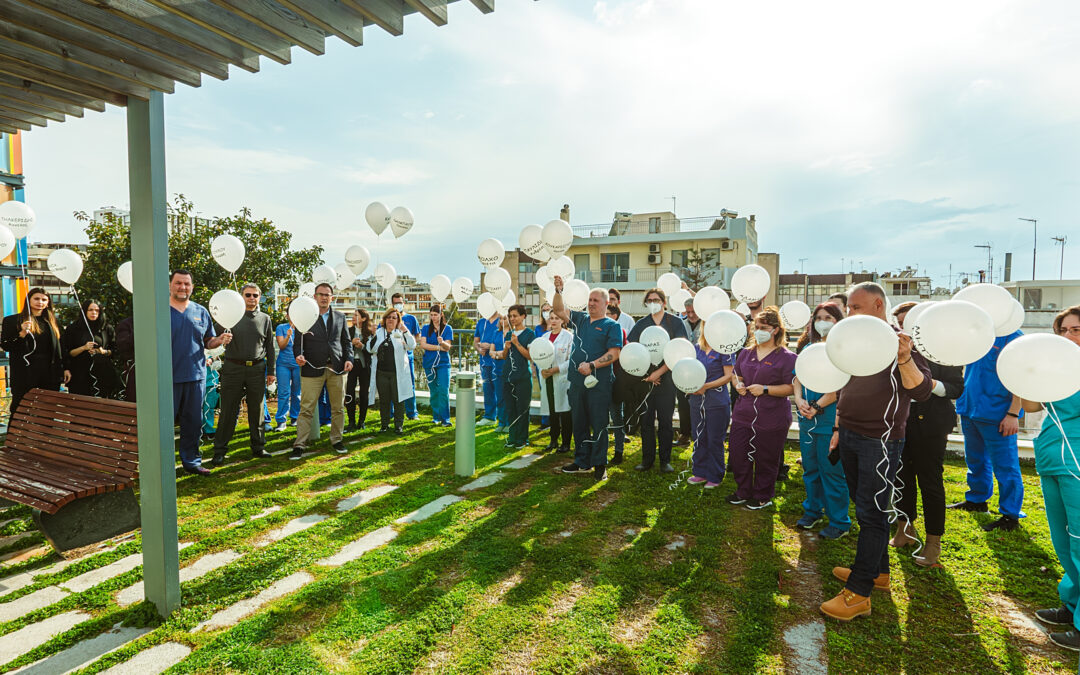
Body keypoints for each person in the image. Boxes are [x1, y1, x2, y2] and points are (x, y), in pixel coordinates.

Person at [820, 282, 931, 622]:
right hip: (852, 433)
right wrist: (838, 429)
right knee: (865, 506)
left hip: (880, 440)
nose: (848, 314)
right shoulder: (855, 339)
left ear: (879, 305)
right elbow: (844, 385)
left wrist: (904, 360)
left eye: (855, 307)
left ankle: (859, 593)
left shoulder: (901, 341)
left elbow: (923, 390)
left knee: (872, 513)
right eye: (849, 308)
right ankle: (878, 571)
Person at [887, 302, 964, 566]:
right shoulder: (891, 347)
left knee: (929, 480)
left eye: (909, 321)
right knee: (901, 476)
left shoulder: (944, 349)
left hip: (931, 422)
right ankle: (904, 529)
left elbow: (956, 388)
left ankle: (933, 544)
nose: (904, 327)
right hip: (900, 420)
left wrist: (927, 384)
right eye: (899, 322)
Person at [1024, 306, 1080, 651]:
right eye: (1064, 330)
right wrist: (1031, 372)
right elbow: (1031, 406)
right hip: (1051, 459)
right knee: (1063, 540)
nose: (1070, 336)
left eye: (1077, 329)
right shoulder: (1058, 367)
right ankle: (1072, 604)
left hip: (1076, 462)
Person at [949, 319, 1026, 531]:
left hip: (998, 412)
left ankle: (1010, 514)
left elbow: (1021, 376)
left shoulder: (1013, 336)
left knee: (1005, 465)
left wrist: (1013, 413)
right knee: (975, 460)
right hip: (970, 407)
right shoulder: (978, 332)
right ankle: (977, 500)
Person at [552, 275, 623, 481]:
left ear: (606, 303)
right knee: (579, 421)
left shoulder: (611, 326)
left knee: (599, 422)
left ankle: (600, 464)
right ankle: (582, 461)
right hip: (577, 381)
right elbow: (558, 310)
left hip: (599, 382)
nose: (591, 304)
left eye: (596, 300)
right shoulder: (581, 319)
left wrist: (592, 365)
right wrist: (559, 291)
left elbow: (614, 353)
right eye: (589, 300)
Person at [727, 306, 796, 509]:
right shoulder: (746, 354)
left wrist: (765, 389)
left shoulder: (787, 357)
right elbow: (735, 374)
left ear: (775, 330)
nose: (758, 330)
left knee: (766, 458)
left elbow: (792, 387)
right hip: (743, 414)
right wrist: (737, 384)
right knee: (739, 454)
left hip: (772, 417)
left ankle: (762, 495)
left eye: (763, 327)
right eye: (756, 326)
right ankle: (743, 491)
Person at [792, 302, 850, 539]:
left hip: (830, 420)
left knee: (832, 471)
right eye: (818, 317)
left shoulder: (843, 349)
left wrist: (817, 406)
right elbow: (797, 377)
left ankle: (839, 521)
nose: (822, 322)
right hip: (807, 419)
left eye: (828, 317)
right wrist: (798, 400)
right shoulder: (808, 347)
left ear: (838, 321)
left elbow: (842, 386)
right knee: (811, 468)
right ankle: (812, 510)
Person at [166, 271, 230, 475]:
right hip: (167, 377)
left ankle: (192, 462)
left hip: (196, 376)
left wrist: (219, 341)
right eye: (178, 283)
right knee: (164, 424)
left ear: (192, 287)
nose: (182, 287)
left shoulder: (200, 311)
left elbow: (208, 342)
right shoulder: (159, 310)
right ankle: (163, 465)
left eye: (186, 284)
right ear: (170, 285)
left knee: (193, 422)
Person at [211, 283, 275, 465]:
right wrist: (221, 340)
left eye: (255, 295)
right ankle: (220, 450)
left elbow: (270, 346)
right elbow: (211, 339)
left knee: (258, 410)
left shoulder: (265, 319)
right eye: (248, 295)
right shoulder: (230, 316)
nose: (252, 298)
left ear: (259, 297)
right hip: (233, 368)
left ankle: (259, 447)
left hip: (257, 369)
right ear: (241, 296)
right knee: (228, 411)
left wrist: (271, 372)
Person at [627, 288, 689, 473]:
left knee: (665, 421)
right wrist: (648, 375)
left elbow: (680, 350)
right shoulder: (641, 324)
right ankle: (647, 460)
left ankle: (665, 460)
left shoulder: (675, 322)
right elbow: (633, 350)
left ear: (664, 302)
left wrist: (659, 373)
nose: (653, 303)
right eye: (649, 300)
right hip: (645, 380)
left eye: (656, 299)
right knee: (646, 422)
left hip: (667, 379)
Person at [291, 282, 352, 459]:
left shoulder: (340, 317)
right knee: (306, 408)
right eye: (321, 294)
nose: (324, 297)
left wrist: (349, 359)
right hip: (311, 368)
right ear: (315, 296)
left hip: (337, 368)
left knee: (338, 408)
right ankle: (299, 444)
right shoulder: (306, 315)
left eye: (327, 294)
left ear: (332, 297)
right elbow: (297, 344)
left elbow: (346, 342)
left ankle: (337, 440)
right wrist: (298, 356)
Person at [1, 288, 70, 415]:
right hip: (25, 372)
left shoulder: (53, 323)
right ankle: (17, 434)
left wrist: (65, 368)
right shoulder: (12, 321)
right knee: (20, 409)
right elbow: (6, 346)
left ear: (48, 302)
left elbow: (61, 347)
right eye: (36, 299)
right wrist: (21, 333)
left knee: (48, 410)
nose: (40, 302)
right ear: (29, 300)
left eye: (44, 299)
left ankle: (45, 434)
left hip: (49, 373)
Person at [685, 329, 735, 488]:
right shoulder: (695, 348)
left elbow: (729, 375)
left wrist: (706, 386)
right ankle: (699, 472)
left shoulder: (725, 349)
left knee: (714, 439)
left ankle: (715, 474)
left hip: (717, 400)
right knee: (699, 435)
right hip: (696, 399)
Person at [367, 308, 417, 433]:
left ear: (398, 321)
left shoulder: (401, 333)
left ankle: (398, 425)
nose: (391, 320)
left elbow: (412, 345)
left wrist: (405, 330)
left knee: (398, 399)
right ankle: (384, 425)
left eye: (394, 318)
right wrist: (372, 335)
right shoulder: (379, 332)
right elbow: (370, 349)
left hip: (397, 373)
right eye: (389, 317)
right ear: (384, 319)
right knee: (384, 400)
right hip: (381, 373)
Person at [61, 299, 121, 398]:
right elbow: (67, 353)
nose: (94, 313)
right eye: (90, 310)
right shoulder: (73, 329)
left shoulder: (107, 328)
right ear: (84, 311)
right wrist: (83, 348)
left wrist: (104, 351)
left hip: (102, 373)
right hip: (79, 373)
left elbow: (115, 350)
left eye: (97, 310)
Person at [495, 305, 535, 448]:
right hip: (508, 376)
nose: (512, 319)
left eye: (515, 316)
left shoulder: (530, 334)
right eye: (510, 316)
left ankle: (523, 439)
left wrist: (517, 344)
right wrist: (506, 348)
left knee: (522, 409)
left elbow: (530, 356)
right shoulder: (507, 334)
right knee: (510, 408)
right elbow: (504, 356)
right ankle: (513, 438)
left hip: (523, 377)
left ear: (523, 316)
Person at [537, 311, 573, 452]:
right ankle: (553, 440)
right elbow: (538, 356)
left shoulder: (569, 337)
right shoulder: (544, 337)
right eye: (551, 318)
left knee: (564, 412)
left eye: (556, 318)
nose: (553, 321)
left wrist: (556, 369)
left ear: (562, 320)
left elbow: (571, 360)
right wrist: (543, 369)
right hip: (548, 378)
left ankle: (565, 442)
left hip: (562, 378)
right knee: (552, 411)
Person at [419, 304, 453, 427]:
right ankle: (436, 416)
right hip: (429, 363)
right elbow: (423, 345)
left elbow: (448, 347)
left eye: (436, 315)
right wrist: (439, 347)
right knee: (434, 390)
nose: (433, 317)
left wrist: (442, 342)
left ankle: (446, 418)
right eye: (431, 315)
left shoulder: (447, 328)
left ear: (441, 315)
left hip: (443, 363)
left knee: (443, 389)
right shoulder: (425, 328)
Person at [676, 296, 703, 447]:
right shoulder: (681, 324)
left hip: (702, 369)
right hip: (683, 369)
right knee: (683, 404)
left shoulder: (706, 324)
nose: (691, 315)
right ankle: (684, 434)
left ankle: (699, 434)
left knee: (700, 404)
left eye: (693, 311)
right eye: (688, 312)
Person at [605, 305, 630, 464]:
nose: (606, 316)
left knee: (617, 416)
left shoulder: (619, 332)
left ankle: (619, 451)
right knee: (601, 417)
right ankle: (601, 449)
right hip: (599, 379)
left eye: (609, 314)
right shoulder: (598, 329)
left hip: (615, 379)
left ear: (615, 316)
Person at [390, 292, 420, 421]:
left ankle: (412, 413)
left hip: (408, 357)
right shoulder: (388, 318)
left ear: (404, 303)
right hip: (392, 358)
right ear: (392, 304)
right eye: (395, 303)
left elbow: (417, 336)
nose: (398, 305)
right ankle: (391, 413)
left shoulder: (411, 319)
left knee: (409, 385)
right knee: (391, 385)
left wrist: (409, 342)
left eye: (400, 302)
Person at [475, 310, 506, 429]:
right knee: (487, 390)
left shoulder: (502, 320)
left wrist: (490, 346)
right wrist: (479, 349)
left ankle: (503, 420)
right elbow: (476, 342)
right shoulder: (481, 322)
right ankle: (489, 417)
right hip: (484, 362)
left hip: (498, 362)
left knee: (500, 392)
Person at [345, 309, 375, 431]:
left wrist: (362, 346)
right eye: (353, 315)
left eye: (356, 315)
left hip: (364, 366)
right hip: (351, 366)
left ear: (363, 318)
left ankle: (361, 421)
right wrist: (352, 344)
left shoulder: (369, 332)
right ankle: (351, 421)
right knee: (349, 392)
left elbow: (373, 350)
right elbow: (343, 347)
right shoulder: (348, 331)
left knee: (364, 393)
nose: (353, 317)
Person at [273, 320, 300, 432]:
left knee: (297, 393)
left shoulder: (302, 327)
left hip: (298, 364)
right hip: (283, 364)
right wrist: (288, 336)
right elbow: (281, 345)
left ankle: (295, 418)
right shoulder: (281, 327)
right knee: (284, 392)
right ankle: (281, 421)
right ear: (288, 315)